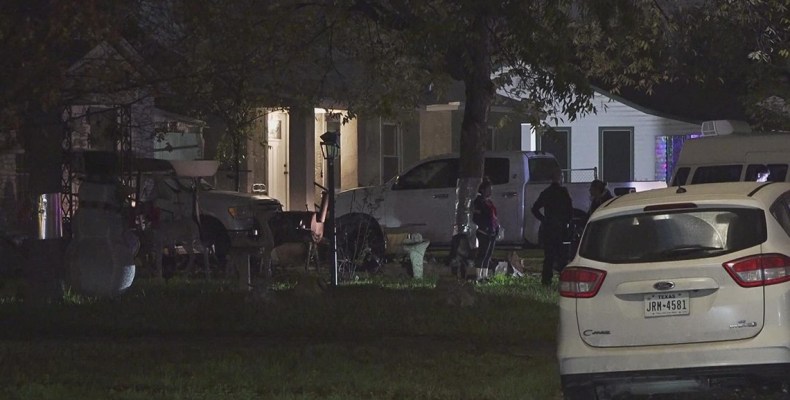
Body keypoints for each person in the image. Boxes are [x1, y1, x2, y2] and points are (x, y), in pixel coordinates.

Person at [531, 167, 573, 286]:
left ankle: (546, 280)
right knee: (562, 256)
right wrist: (567, 222)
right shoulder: (563, 192)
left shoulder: (546, 192)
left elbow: (535, 209)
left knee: (549, 256)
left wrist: (544, 219)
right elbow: (570, 210)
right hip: (561, 228)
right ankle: (563, 280)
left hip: (549, 228)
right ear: (560, 178)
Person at [473, 177, 499, 282]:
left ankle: (485, 275)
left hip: (492, 231)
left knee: (488, 254)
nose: (490, 191)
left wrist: (496, 227)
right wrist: (485, 227)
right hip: (484, 232)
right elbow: (476, 218)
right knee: (482, 254)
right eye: (488, 189)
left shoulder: (489, 202)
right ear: (483, 190)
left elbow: (494, 216)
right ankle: (478, 276)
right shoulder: (478, 202)